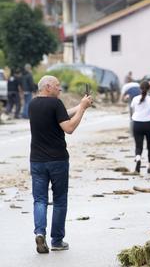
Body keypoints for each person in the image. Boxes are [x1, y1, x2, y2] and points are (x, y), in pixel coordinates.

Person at [29, 75, 93, 253]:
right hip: (57, 160)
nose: (60, 89)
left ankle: (39, 233)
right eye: (57, 86)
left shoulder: (33, 104)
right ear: (48, 87)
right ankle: (57, 240)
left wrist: (81, 105)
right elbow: (69, 127)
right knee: (59, 200)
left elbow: (61, 115)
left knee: (39, 200)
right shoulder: (55, 104)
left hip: (37, 161)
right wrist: (82, 110)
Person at [130, 81, 150, 175]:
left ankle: (138, 158)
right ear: (149, 89)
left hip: (137, 124)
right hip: (149, 124)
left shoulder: (134, 99)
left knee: (138, 145)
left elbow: (133, 112)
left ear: (140, 89)